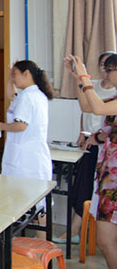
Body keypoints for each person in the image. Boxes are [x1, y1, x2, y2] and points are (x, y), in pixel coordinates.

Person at [54, 50, 117, 245]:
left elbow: (98, 109)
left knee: (106, 240)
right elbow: (87, 108)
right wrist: (78, 79)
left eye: (110, 69)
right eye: (105, 68)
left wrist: (84, 75)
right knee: (105, 241)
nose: (106, 73)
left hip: (112, 172)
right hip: (108, 171)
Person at [0, 60, 53, 238]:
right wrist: (9, 77)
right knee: (36, 203)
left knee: (35, 203)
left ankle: (40, 246)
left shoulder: (28, 97)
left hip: (26, 160)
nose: (13, 78)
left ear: (27, 74)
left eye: (15, 74)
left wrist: (2, 126)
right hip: (29, 158)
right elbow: (11, 96)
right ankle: (39, 244)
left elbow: (21, 125)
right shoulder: (33, 94)